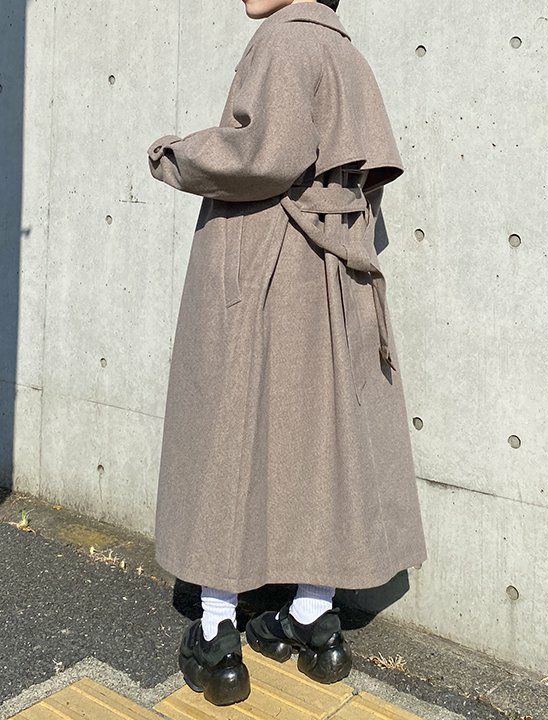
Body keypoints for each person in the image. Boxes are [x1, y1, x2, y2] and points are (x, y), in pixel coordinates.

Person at [147, 0, 428, 706]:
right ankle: (314, 618)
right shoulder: (346, 53)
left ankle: (217, 634)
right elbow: (360, 177)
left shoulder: (284, 42)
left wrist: (175, 155)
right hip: (330, 273)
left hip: (264, 266)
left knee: (228, 427)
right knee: (322, 436)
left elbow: (260, 157)